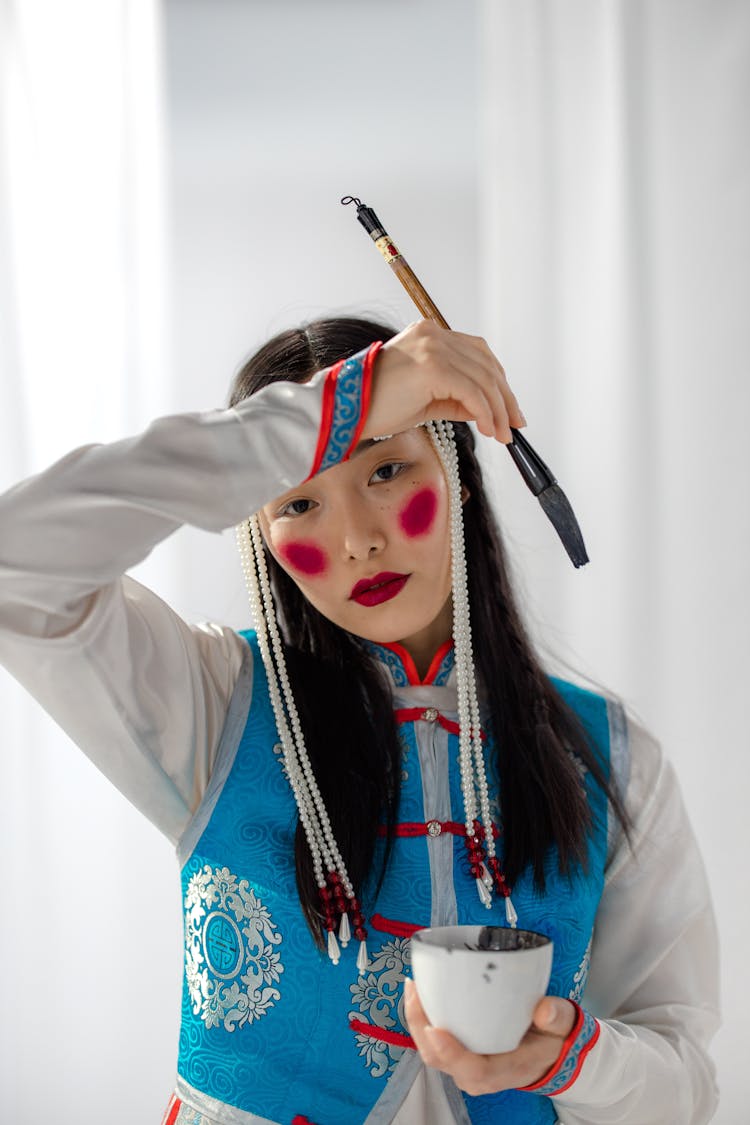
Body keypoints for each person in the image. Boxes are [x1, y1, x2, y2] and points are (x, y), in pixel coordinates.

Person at [0, 317, 719, 1124]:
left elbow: (685, 1082)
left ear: (458, 474)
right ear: (262, 535)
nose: (358, 540)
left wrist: (571, 1058)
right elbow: (14, 560)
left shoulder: (609, 755)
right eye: (300, 499)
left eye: (385, 468)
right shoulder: (212, 703)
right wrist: (335, 410)